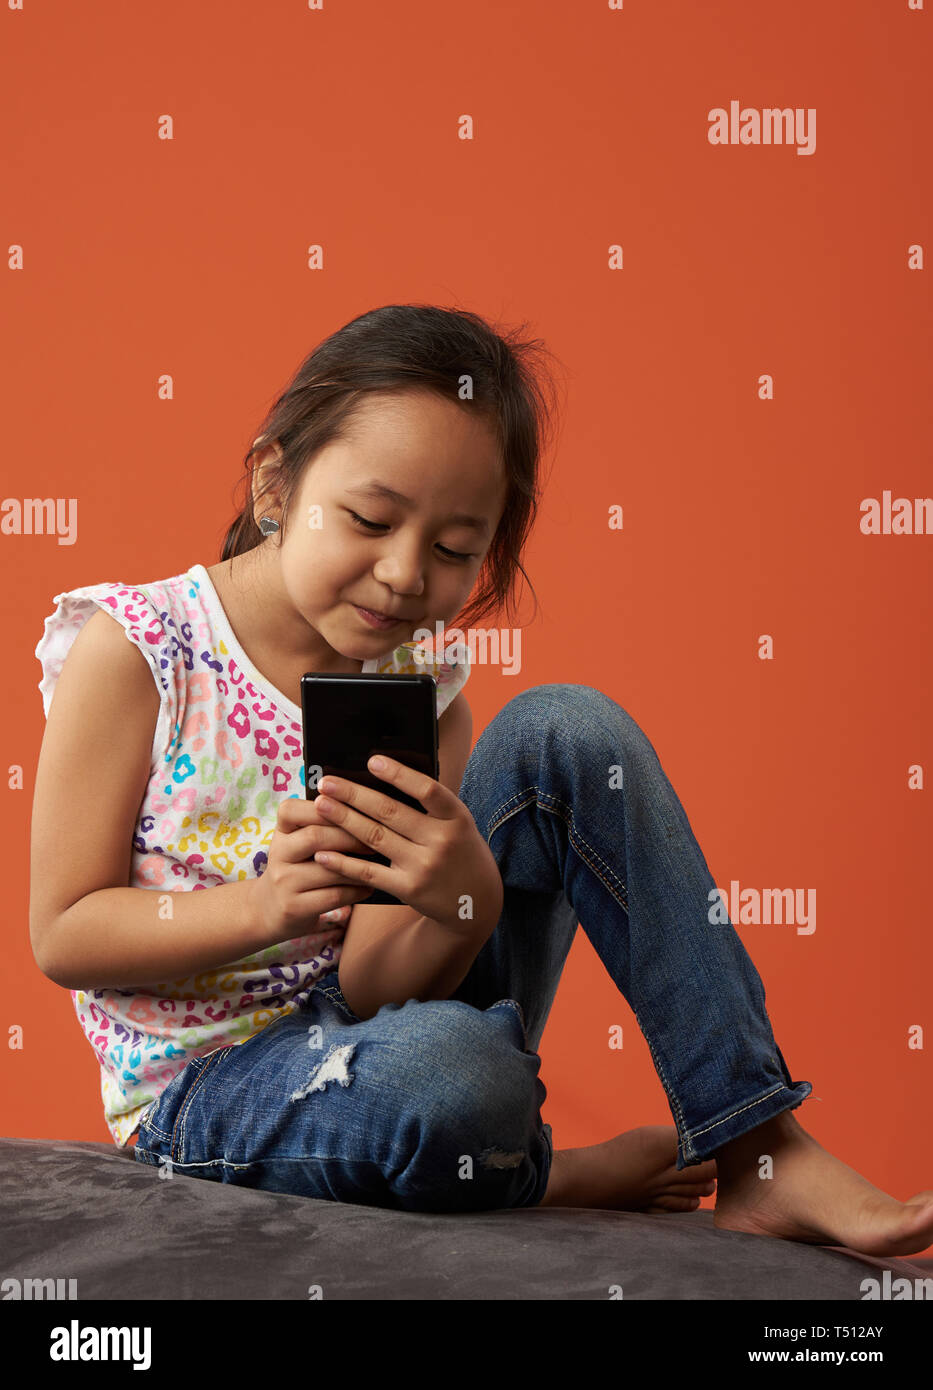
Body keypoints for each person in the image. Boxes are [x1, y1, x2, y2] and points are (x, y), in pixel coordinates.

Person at [30, 303, 932, 1255]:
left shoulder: (423, 695)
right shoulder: (141, 651)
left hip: (381, 1029)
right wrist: (264, 908)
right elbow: (65, 931)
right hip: (208, 1094)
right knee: (455, 1072)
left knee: (569, 729)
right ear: (274, 481)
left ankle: (756, 1143)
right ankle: (548, 1175)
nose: (403, 574)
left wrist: (461, 896)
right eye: (370, 520)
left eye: (456, 549)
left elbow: (372, 988)